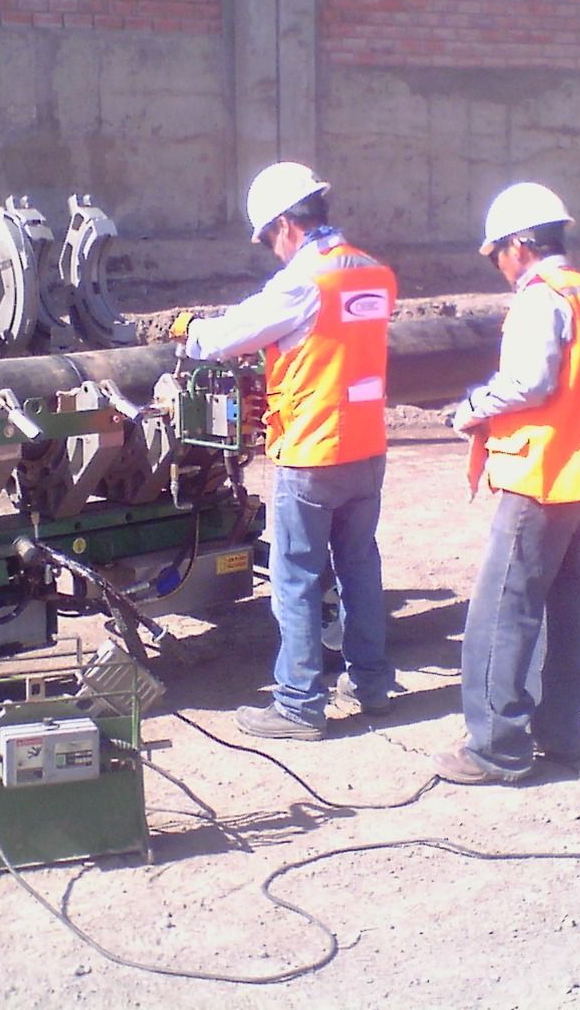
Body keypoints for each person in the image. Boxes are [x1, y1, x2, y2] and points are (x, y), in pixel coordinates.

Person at [174, 161, 397, 739]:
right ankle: (371, 684)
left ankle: (299, 704)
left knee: (295, 576)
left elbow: (227, 337)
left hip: (313, 451)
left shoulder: (304, 282)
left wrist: (190, 330)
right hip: (366, 446)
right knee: (359, 567)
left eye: (269, 239)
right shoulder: (374, 273)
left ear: (285, 225)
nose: (273, 251)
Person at [433, 182, 580, 783]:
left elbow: (529, 382)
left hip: (540, 477)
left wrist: (470, 409)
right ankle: (560, 731)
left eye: (497, 254)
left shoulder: (542, 299)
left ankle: (496, 746)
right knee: (564, 608)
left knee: (501, 611)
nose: (499, 266)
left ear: (519, 245)